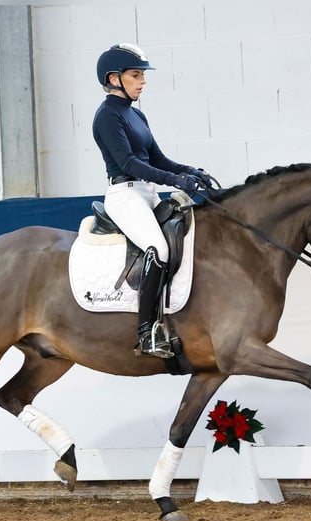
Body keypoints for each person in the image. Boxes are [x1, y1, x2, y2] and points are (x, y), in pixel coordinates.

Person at [92, 43, 214, 358]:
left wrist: (188, 170)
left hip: (147, 193)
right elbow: (129, 162)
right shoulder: (107, 116)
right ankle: (146, 333)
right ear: (114, 78)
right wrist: (174, 180)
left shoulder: (137, 115)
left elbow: (157, 158)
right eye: (135, 75)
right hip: (125, 194)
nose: (142, 81)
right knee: (157, 249)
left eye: (142, 75)